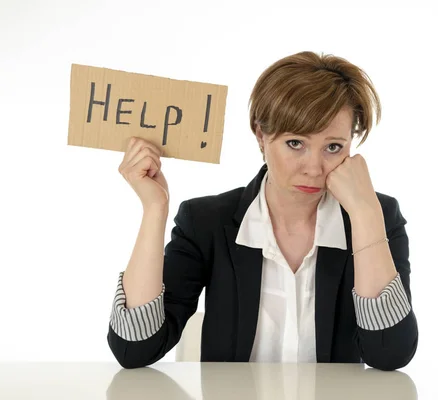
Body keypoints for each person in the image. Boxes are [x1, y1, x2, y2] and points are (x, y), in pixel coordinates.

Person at [107, 51, 418, 371]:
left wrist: (365, 215)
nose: (314, 168)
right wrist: (154, 209)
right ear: (261, 134)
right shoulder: (206, 222)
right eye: (296, 143)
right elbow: (135, 349)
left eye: (333, 147)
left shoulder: (377, 216)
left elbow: (389, 354)